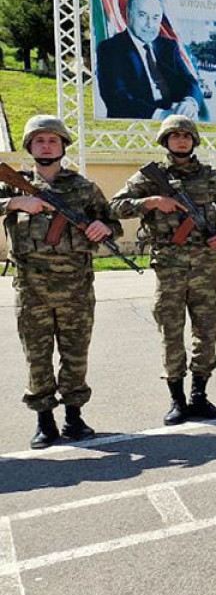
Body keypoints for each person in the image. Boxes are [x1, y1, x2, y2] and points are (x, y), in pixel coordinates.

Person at [111, 115, 216, 426]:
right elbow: (114, 206)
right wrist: (152, 202)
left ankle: (199, 395)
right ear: (165, 141)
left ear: (194, 140)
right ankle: (177, 399)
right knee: (171, 332)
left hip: (204, 267)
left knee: (205, 331)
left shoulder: (211, 177)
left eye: (186, 135)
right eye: (175, 136)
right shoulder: (150, 177)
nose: (181, 140)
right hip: (168, 267)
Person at [1, 116, 122, 449]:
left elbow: (113, 222)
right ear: (29, 146)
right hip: (31, 287)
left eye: (53, 140)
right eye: (39, 140)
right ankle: (44, 421)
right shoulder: (13, 184)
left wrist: (104, 229)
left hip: (77, 287)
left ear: (63, 146)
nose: (46, 145)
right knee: (37, 356)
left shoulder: (83, 188)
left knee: (75, 354)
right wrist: (13, 202)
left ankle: (73, 417)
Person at [95, 0, 201, 120]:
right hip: (134, 124)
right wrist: (161, 115)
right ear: (128, 15)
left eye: (155, 17)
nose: (150, 24)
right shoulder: (110, 48)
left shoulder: (168, 46)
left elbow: (189, 81)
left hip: (174, 115)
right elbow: (117, 98)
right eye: (142, 15)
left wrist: (190, 103)